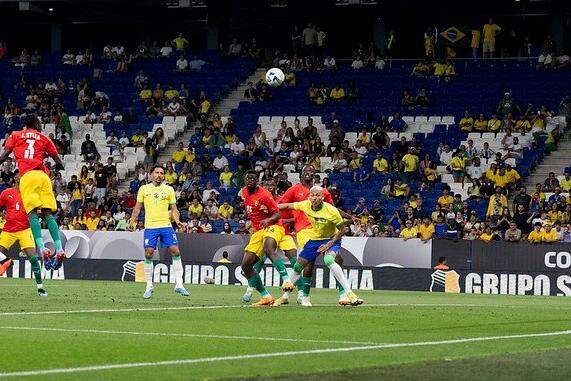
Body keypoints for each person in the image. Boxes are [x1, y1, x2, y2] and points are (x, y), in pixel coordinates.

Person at [278, 165, 355, 304]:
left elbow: (332, 210)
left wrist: (347, 216)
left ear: (315, 175)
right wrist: (287, 220)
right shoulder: (295, 189)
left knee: (337, 259)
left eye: (311, 171)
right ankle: (302, 294)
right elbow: (284, 204)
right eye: (305, 171)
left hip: (324, 230)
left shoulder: (323, 191)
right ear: (301, 174)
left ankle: (343, 295)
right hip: (304, 230)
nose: (308, 173)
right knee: (308, 261)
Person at [0, 115, 66, 271]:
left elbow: (3, 156)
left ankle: (43, 249)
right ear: (36, 124)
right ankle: (59, 248)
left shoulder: (15, 135)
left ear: (25, 125)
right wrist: (55, 170)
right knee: (48, 214)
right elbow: (60, 163)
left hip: (28, 176)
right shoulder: (44, 138)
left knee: (32, 214)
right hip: (43, 176)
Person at [129, 165, 189, 299]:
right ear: (151, 175)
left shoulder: (169, 189)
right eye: (156, 172)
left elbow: (174, 209)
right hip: (150, 226)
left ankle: (179, 284)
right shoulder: (144, 189)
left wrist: (177, 221)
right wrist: (132, 221)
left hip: (166, 226)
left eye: (162, 173)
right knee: (149, 253)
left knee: (176, 251)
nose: (159, 175)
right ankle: (149, 285)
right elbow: (137, 208)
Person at [239, 171, 295, 307]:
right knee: (245, 265)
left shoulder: (265, 195)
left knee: (268, 248)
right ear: (245, 180)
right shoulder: (244, 192)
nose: (250, 180)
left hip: (274, 226)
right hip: (258, 231)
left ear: (257, 180)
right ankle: (265, 296)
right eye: (248, 178)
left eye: (253, 178)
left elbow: (277, 214)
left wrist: (268, 220)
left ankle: (287, 280)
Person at [0, 185, 47, 296]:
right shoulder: (6, 192)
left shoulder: (30, 195)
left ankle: (40, 288)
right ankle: (6, 261)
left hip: (24, 230)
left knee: (34, 259)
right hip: (8, 230)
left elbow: (39, 211)